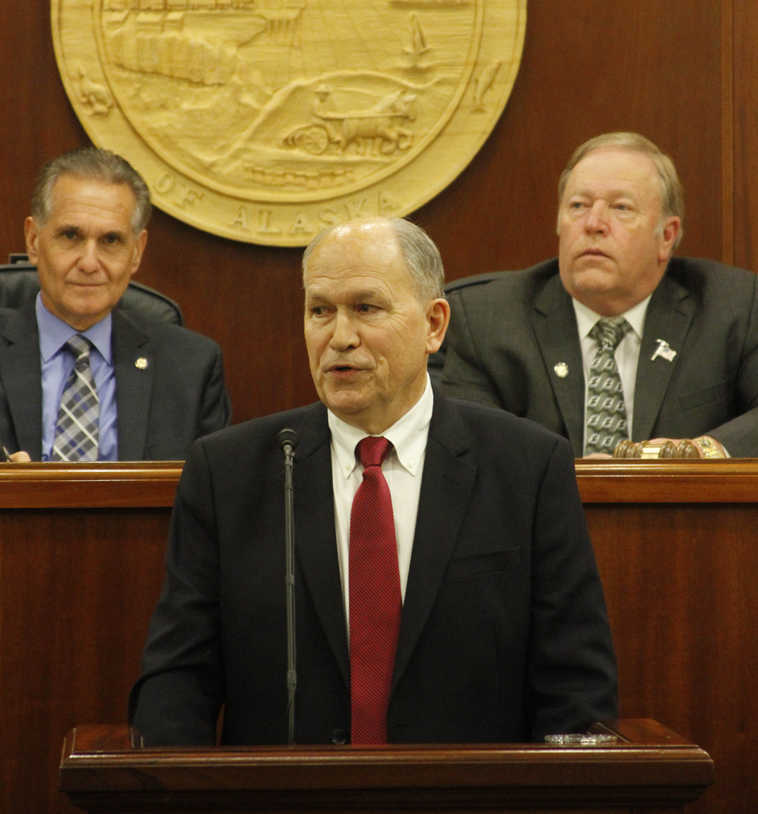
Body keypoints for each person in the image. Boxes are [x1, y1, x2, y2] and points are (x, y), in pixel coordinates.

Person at [129, 216, 616, 746]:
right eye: (320, 311)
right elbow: (178, 680)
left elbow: (575, 686)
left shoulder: (527, 467)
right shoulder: (228, 473)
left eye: (366, 308)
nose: (339, 337)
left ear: (434, 324)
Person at [435, 132, 758, 458]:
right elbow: (468, 444)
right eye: (578, 206)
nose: (593, 223)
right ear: (559, 224)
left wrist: (702, 450)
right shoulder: (486, 320)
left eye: (621, 207)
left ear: (667, 236)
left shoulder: (733, 309)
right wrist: (564, 479)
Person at [0, 146, 230, 461]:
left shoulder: (192, 368)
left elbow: (209, 501)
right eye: (70, 236)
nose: (89, 262)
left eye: (111, 241)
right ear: (33, 241)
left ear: (136, 251)